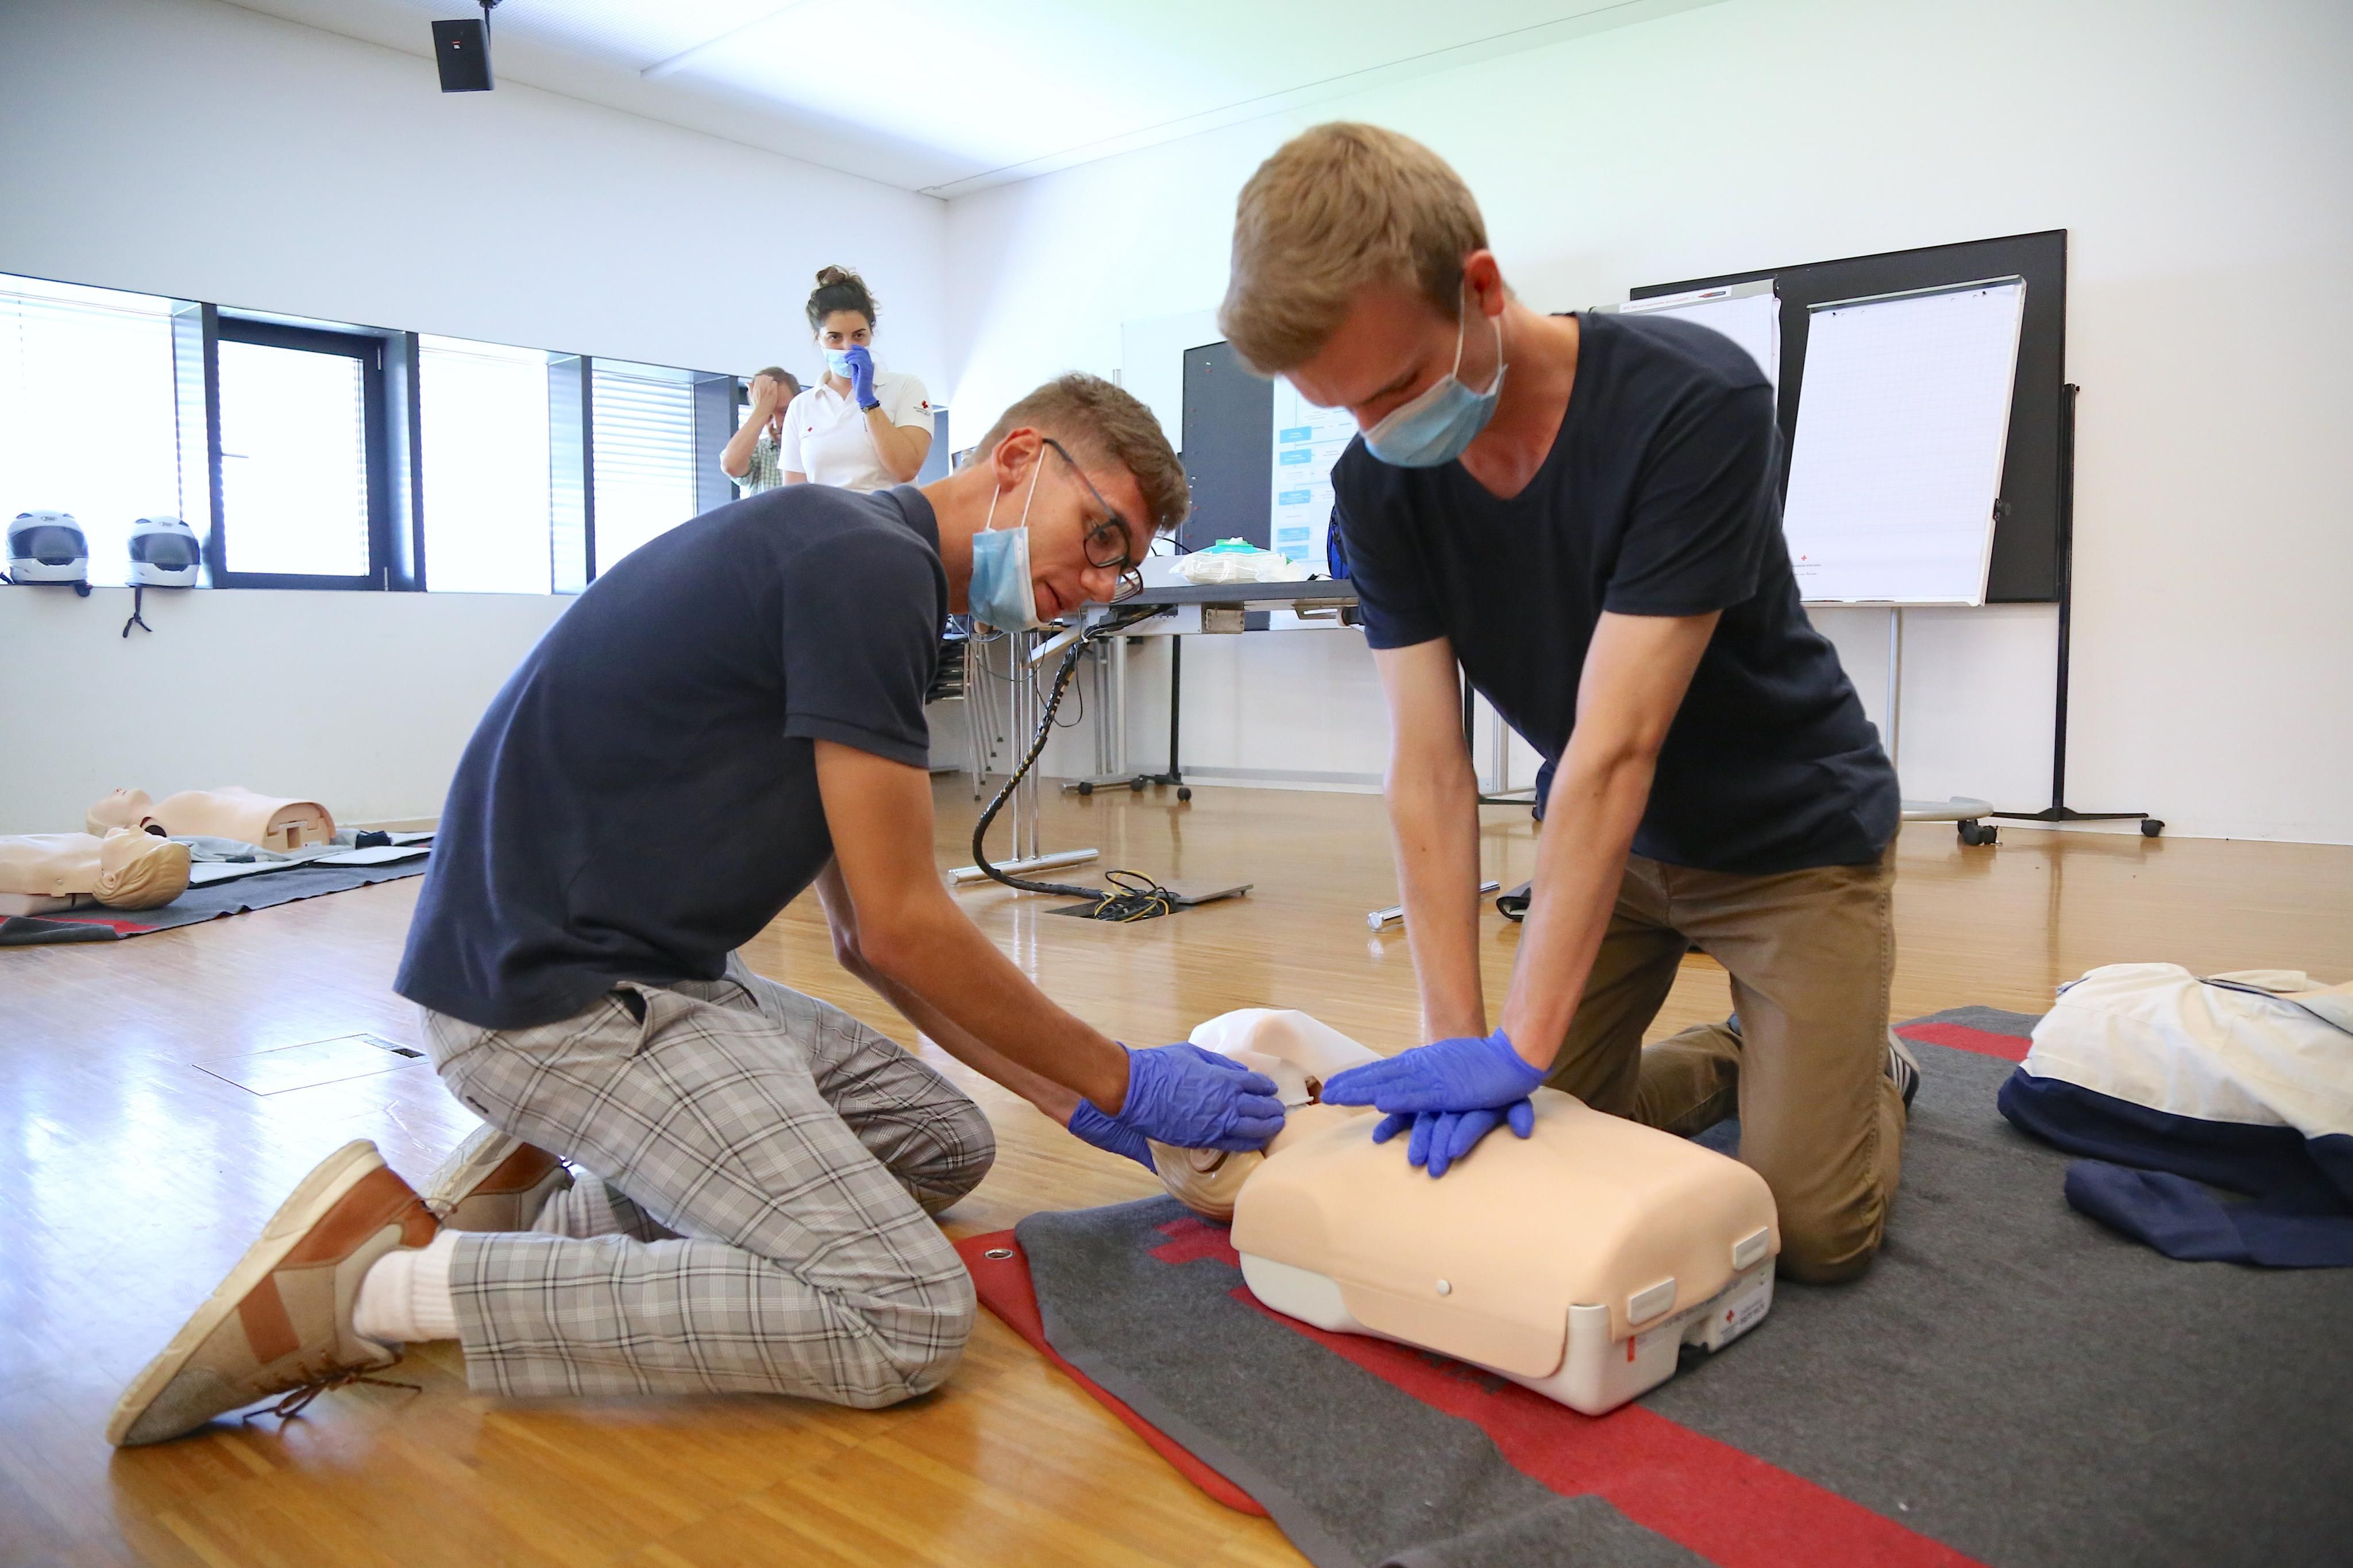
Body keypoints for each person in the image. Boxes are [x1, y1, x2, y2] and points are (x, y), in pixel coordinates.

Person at [107, 373, 1282, 1447]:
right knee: (902, 1316)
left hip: (655, 974)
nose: (1100, 584)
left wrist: (1076, 1102)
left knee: (942, 1144)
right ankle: (375, 1290)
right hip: (557, 1000)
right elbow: (904, 926)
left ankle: (552, 1212)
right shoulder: (865, 569)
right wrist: (1121, 1077)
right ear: (1019, 457)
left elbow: (866, 942)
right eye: (1101, 535)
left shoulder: (864, 565)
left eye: (1123, 569)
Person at [1221, 124, 1910, 1283]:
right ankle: (1750, 1059)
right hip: (1614, 859)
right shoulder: (1377, 484)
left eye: (1395, 388)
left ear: (1481, 289)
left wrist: (1522, 1043)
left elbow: (1615, 747)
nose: (1380, 434)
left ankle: (1862, 1072)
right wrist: (1457, 1046)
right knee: (1527, 1143)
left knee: (1811, 1234)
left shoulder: (1691, 402)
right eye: (1344, 410)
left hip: (1789, 844)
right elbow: (1429, 771)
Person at [777, 266, 935, 492]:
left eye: (858, 336)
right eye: (835, 337)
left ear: (871, 333)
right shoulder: (801, 406)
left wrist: (868, 402)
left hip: (887, 512)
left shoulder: (905, 388)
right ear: (818, 338)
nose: (848, 347)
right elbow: (794, 494)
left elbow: (906, 469)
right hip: (826, 514)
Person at [719, 365, 803, 495]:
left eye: (784, 412)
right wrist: (762, 408)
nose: (776, 425)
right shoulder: (759, 452)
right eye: (768, 416)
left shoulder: (820, 446)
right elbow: (731, 466)